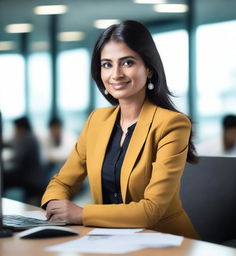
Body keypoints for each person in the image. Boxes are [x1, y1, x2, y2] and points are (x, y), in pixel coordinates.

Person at [41, 20, 199, 239]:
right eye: (107, 64)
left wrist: (81, 213)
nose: (116, 74)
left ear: (149, 69)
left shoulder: (172, 124)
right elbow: (62, 181)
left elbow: (151, 210)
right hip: (108, 240)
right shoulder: (97, 121)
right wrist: (54, 202)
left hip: (164, 241)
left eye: (127, 63)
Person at [3, 116, 43, 204]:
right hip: (34, 177)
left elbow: (18, 160)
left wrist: (7, 162)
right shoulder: (30, 136)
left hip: (29, 179)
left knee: (3, 179)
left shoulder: (26, 138)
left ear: (20, 128)